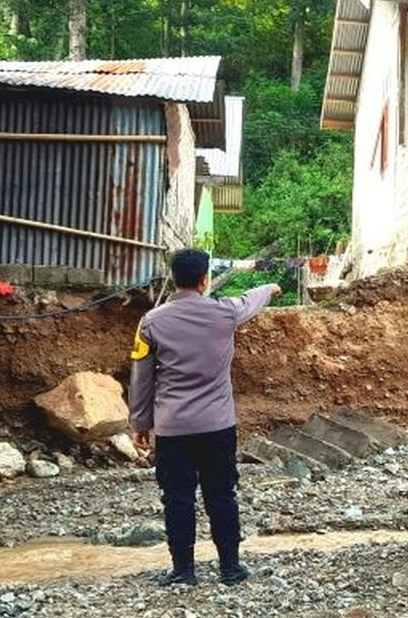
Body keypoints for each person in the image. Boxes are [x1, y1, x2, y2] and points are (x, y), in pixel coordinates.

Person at [128, 248, 281, 587]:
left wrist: (140, 423)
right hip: (217, 426)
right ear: (203, 280)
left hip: (172, 428)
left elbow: (142, 376)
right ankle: (230, 568)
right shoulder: (224, 313)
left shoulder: (152, 321)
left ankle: (184, 571)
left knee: (178, 498)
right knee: (222, 495)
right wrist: (270, 287)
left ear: (175, 277)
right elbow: (250, 301)